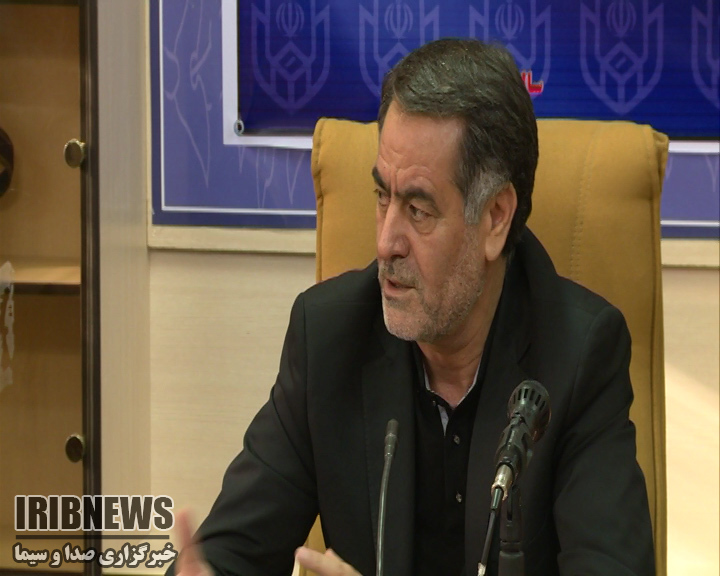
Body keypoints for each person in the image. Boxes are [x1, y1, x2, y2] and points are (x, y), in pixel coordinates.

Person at [167, 38, 655, 576]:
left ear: (495, 217)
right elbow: (230, 552)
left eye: (419, 209)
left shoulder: (578, 357)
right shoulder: (329, 338)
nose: (385, 243)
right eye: (383, 197)